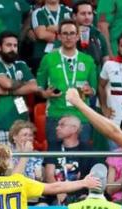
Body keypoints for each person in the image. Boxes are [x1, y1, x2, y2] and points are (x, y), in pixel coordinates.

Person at [37, 20, 97, 153]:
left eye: (72, 33)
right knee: (55, 157)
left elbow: (94, 88)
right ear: (59, 36)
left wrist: (90, 90)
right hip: (56, 115)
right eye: (65, 34)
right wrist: (45, 94)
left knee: (82, 158)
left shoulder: (88, 60)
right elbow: (39, 86)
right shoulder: (48, 59)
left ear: (77, 36)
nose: (68, 37)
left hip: (81, 116)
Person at [0, 31, 38, 146]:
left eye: (15, 45)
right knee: (2, 158)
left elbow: (34, 87)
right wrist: (23, 83)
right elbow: (7, 83)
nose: (12, 49)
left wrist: (7, 92)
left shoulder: (21, 65)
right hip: (2, 126)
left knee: (25, 157)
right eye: (8, 45)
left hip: (23, 127)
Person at [44, 115, 94, 205]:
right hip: (57, 194)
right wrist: (59, 191)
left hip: (81, 194)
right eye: (58, 125)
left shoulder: (87, 150)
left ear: (74, 129)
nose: (57, 128)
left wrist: (86, 194)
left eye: (62, 125)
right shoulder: (54, 147)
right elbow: (49, 175)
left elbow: (93, 176)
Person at [30, 0, 72, 69]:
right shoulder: (38, 12)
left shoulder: (69, 11)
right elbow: (41, 35)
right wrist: (64, 32)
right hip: (43, 56)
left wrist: (51, 28)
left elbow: (75, 32)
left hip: (66, 56)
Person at [69, 1, 109, 68]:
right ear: (74, 16)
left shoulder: (98, 35)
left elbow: (105, 60)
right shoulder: (67, 34)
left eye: (89, 13)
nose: (87, 17)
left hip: (95, 72)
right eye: (83, 14)